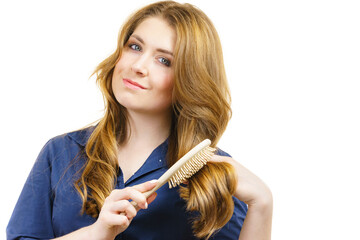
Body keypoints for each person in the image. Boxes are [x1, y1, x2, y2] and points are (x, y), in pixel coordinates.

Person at [7, 1, 273, 239]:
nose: (139, 66)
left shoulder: (211, 174)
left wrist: (262, 205)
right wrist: (97, 233)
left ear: (190, 79)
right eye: (135, 47)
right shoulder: (60, 153)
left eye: (164, 61)